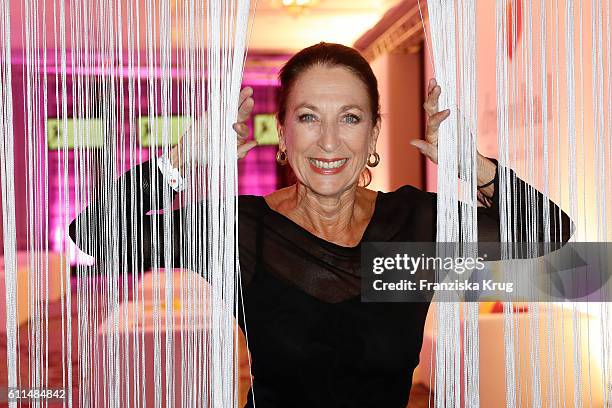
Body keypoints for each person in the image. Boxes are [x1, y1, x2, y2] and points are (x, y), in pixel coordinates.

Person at [70, 42, 572, 407]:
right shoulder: (240, 231)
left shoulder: (413, 226)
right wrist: (182, 159)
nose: (329, 142)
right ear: (282, 135)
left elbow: (548, 230)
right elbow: (91, 235)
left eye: (350, 118)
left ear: (374, 130)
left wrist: (475, 165)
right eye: (309, 117)